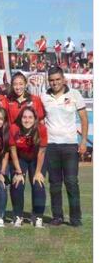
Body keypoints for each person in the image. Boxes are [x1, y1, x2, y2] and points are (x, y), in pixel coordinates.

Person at [41, 67, 88, 226]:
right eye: (52, 80)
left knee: (71, 182)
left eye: (57, 79)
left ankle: (75, 218)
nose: (54, 82)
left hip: (69, 146)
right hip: (51, 146)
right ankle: (58, 217)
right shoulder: (44, 97)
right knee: (54, 183)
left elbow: (83, 119)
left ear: (63, 79)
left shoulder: (75, 94)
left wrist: (83, 141)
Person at [9, 108, 48, 227]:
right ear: (20, 119)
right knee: (17, 184)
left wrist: (38, 172)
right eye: (24, 117)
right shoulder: (14, 128)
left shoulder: (41, 128)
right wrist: (18, 172)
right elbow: (13, 151)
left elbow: (41, 152)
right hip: (19, 159)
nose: (27, 120)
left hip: (36, 159)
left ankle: (38, 217)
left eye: (30, 117)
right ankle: (18, 216)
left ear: (35, 119)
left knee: (38, 184)